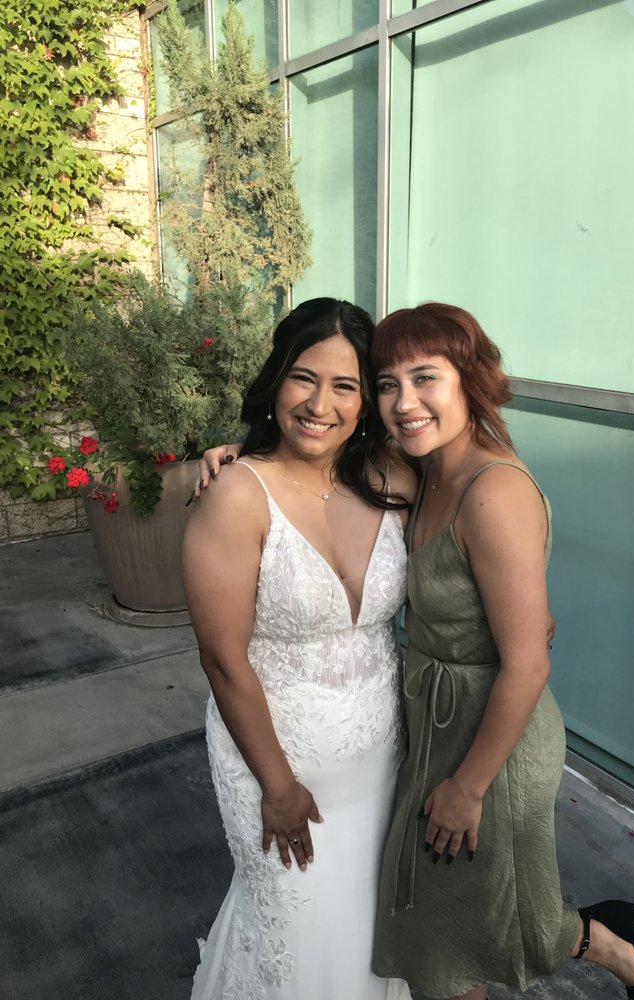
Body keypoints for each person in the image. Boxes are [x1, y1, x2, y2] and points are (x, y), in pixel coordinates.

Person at [368, 302, 634, 1000]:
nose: (404, 401)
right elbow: (322, 463)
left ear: (469, 378)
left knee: (457, 936)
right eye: (387, 383)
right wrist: (240, 458)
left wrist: (468, 787)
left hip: (494, 744)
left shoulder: (492, 491)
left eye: (425, 377)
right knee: (461, 921)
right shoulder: (427, 468)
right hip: (441, 722)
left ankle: (607, 942)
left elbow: (528, 662)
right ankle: (610, 941)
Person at [182, 297, 415, 1000]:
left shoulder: (394, 478)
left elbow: (478, 482)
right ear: (276, 378)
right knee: (295, 928)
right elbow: (223, 661)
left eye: (345, 385)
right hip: (276, 763)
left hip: (380, 756)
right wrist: (277, 787)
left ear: (367, 400)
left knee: (365, 929)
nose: (320, 405)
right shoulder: (237, 495)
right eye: (303, 378)